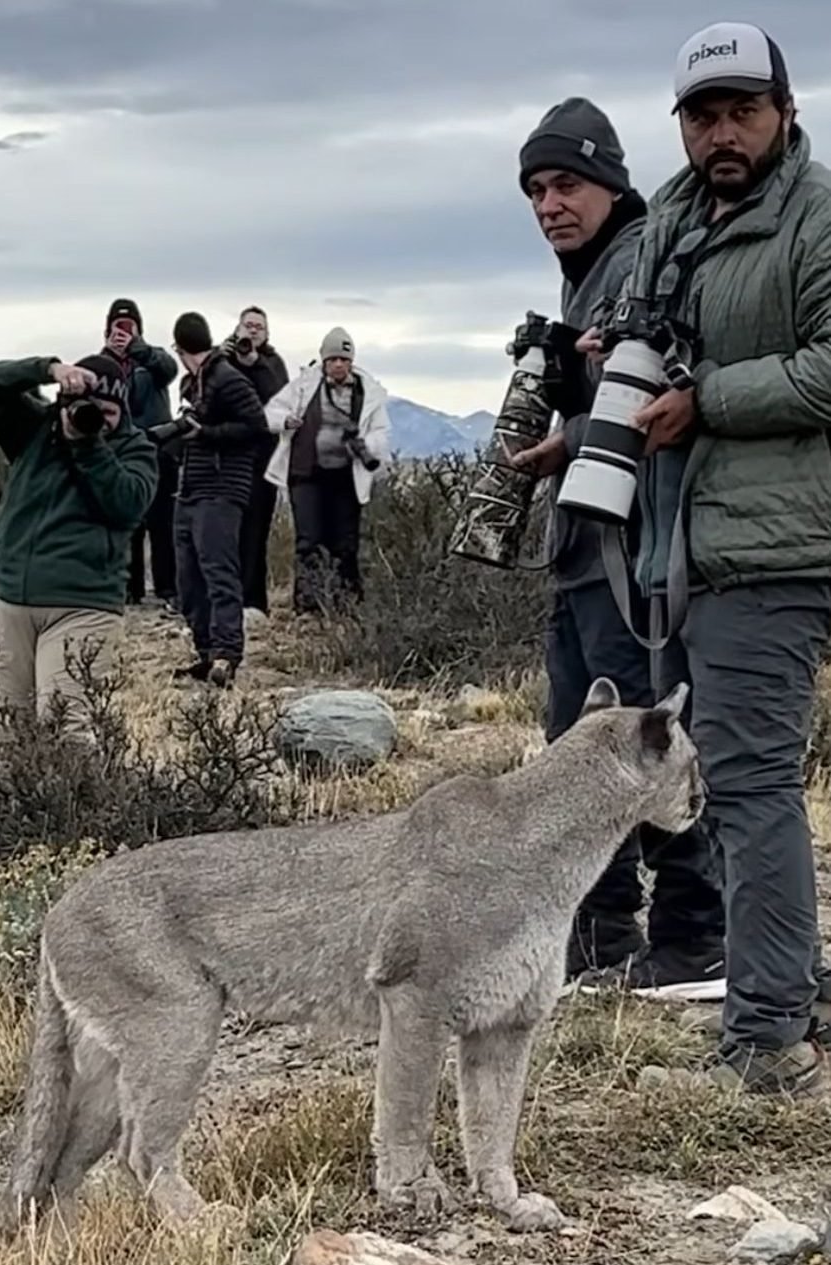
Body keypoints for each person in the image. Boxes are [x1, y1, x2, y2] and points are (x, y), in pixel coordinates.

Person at [601, 22, 831, 1095]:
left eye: (744, 111)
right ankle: (790, 987)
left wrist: (710, 401)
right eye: (703, 115)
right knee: (741, 783)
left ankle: (770, 1032)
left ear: (786, 112)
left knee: (746, 784)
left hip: (784, 543)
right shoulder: (673, 220)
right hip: (692, 539)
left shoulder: (819, 213)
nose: (723, 133)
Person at [511, 98, 726, 996]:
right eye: (535, 190)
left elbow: (672, 368)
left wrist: (590, 377)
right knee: (579, 737)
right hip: (585, 544)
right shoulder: (589, 268)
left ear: (610, 182)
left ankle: (691, 931)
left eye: (566, 183)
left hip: (628, 548)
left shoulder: (642, 254)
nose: (550, 203)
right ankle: (600, 932)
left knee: (638, 735)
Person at [0, 352, 157, 734]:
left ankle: (77, 797)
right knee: (8, 728)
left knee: (66, 727)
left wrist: (87, 447)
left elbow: (127, 505)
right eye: (88, 410)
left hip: (84, 605)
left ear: (123, 411)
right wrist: (49, 369)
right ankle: (12, 797)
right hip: (13, 600)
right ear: (63, 405)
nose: (99, 422)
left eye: (109, 413)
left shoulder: (137, 449)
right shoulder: (34, 429)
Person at [170, 311, 269, 688]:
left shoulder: (226, 377)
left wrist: (207, 434)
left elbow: (257, 426)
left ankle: (227, 654)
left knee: (217, 571)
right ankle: (206, 652)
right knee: (189, 577)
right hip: (191, 487)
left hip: (222, 487)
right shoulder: (197, 381)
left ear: (179, 348)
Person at [263, 328, 390, 613]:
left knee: (345, 543)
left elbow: (382, 434)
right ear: (323, 361)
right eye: (332, 359)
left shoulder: (368, 393)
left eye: (343, 359)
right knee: (309, 541)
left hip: (346, 477)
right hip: (307, 474)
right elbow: (270, 413)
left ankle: (346, 605)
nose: (338, 365)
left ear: (351, 361)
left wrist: (363, 443)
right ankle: (308, 607)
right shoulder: (304, 387)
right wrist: (287, 420)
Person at [99, 299, 180, 609]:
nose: (123, 332)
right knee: (126, 523)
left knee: (163, 523)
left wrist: (138, 349)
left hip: (158, 448)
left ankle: (167, 589)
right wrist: (110, 356)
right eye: (117, 327)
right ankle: (128, 589)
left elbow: (169, 370)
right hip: (118, 451)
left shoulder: (153, 360)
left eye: (129, 326)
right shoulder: (102, 363)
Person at [222, 306, 290, 619]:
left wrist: (256, 364)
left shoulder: (273, 363)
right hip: (227, 457)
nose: (252, 332)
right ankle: (225, 599)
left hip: (262, 459)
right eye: (247, 326)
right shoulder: (221, 360)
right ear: (237, 329)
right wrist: (225, 358)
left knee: (256, 531)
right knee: (224, 532)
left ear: (267, 332)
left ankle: (254, 600)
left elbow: (279, 401)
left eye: (258, 327)